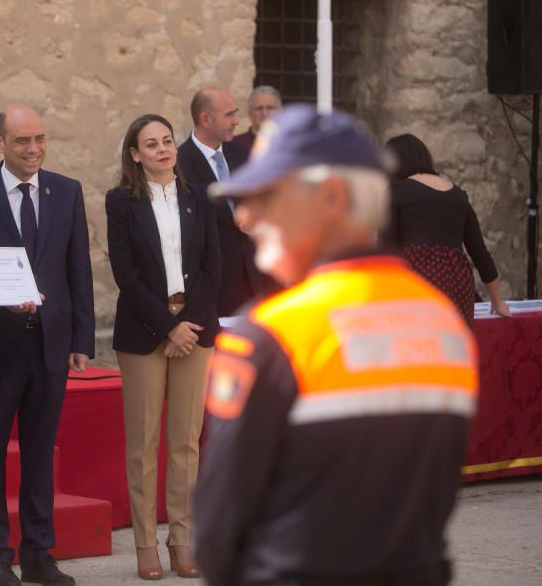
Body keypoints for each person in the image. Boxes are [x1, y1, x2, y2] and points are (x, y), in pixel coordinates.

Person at [194, 106, 479, 585]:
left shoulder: (271, 334)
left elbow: (219, 531)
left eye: (266, 195)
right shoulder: (444, 325)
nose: (246, 215)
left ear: (330, 196)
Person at [0, 104, 95, 586]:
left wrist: (82, 336)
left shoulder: (67, 191)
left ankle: (39, 553)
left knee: (40, 454)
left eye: (40, 139)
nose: (34, 149)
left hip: (51, 345)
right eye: (22, 141)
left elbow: (77, 267)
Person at [106, 114, 221, 581]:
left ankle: (183, 539)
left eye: (167, 141)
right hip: (143, 332)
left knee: (186, 442)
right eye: (150, 144)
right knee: (144, 443)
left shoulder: (199, 198)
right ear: (135, 155)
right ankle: (145, 545)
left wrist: (187, 325)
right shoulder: (121, 202)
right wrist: (167, 327)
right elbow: (125, 274)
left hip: (195, 329)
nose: (162, 149)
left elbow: (214, 264)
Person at [384, 133, 511, 324]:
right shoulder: (458, 195)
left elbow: (386, 250)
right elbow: (479, 251)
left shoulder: (396, 192)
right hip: (459, 284)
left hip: (418, 280)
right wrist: (497, 301)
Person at [176, 86, 263, 315]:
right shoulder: (180, 165)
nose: (237, 121)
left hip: (256, 283)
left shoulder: (241, 153)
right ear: (205, 119)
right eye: (229, 115)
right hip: (214, 290)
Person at [231, 85, 282, 153]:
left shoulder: (293, 144)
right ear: (249, 113)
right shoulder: (233, 145)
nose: (264, 113)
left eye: (270, 108)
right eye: (259, 108)